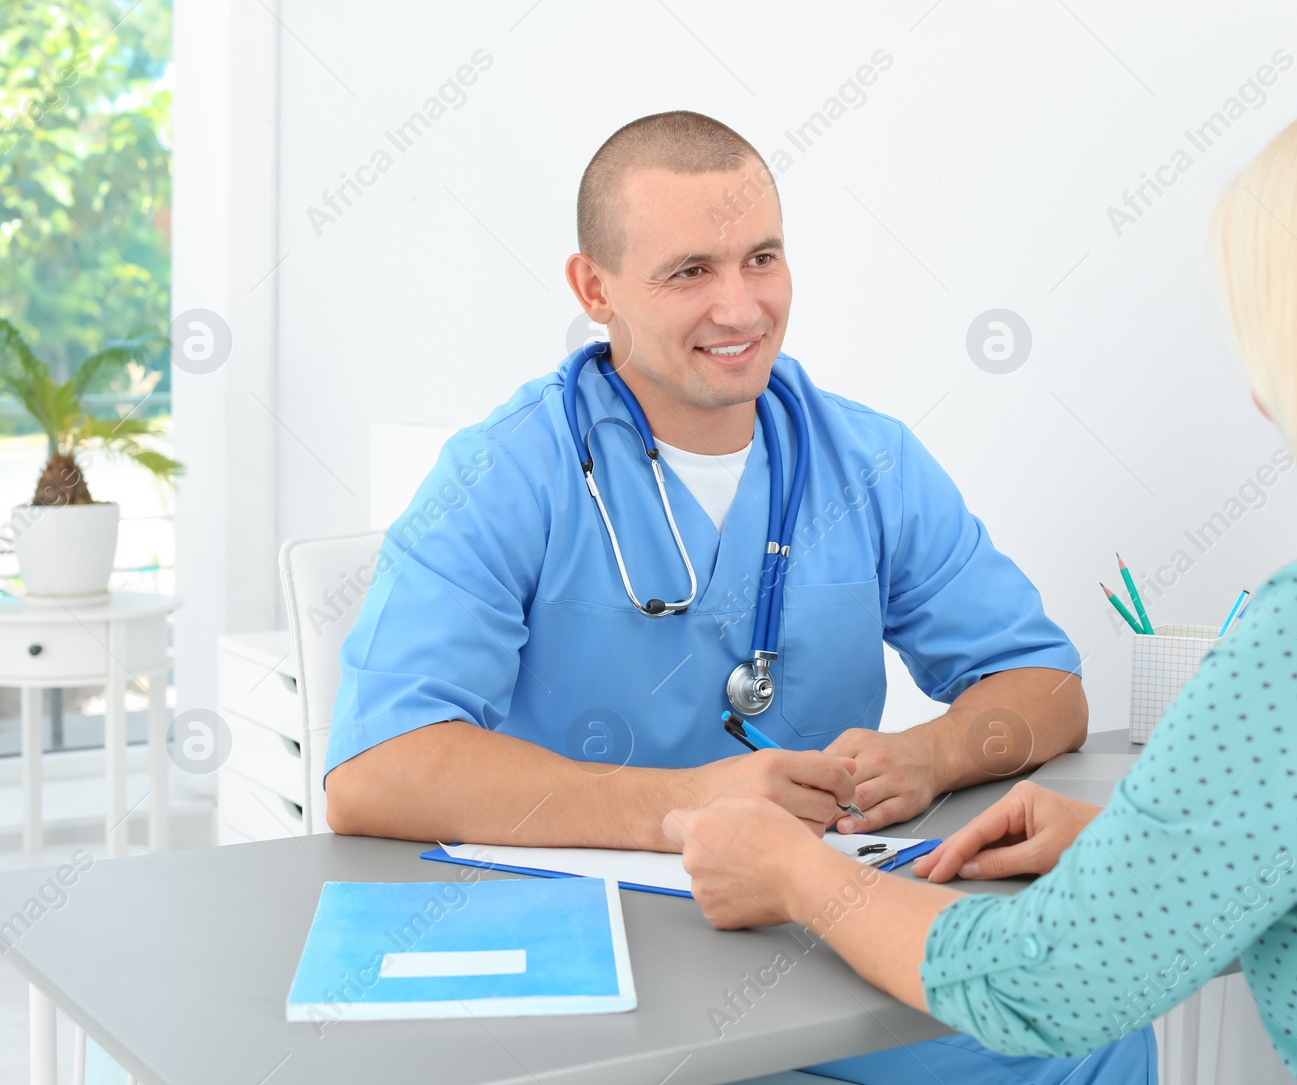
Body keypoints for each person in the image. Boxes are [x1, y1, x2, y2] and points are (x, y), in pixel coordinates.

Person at [667, 75, 1297, 1083]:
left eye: (1265, 322)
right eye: (688, 270)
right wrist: (1139, 846)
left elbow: (1045, 977)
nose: (1254, 386)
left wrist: (801, 876)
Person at [324, 111, 1154, 1082]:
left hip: (811, 918)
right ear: (595, 287)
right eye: (690, 272)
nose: (740, 307)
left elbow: (1041, 683)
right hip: (587, 937)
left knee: (1081, 1032)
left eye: (761, 258)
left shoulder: (866, 459)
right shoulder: (503, 472)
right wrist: (684, 806)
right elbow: (375, 768)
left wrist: (930, 753)